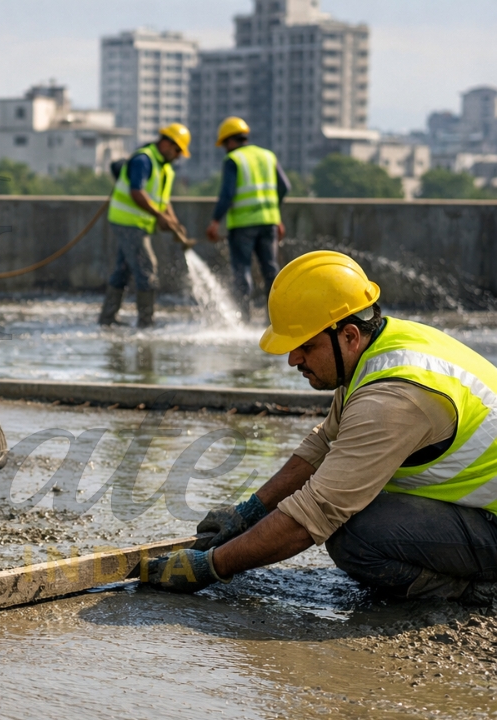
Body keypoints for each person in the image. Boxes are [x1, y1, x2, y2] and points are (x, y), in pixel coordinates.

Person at [145, 251, 497, 605]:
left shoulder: (392, 400)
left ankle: (471, 590)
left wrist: (210, 567)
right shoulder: (380, 350)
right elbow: (324, 445)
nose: (293, 359)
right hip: (480, 511)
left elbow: (314, 514)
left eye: (306, 346)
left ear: (348, 335)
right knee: (357, 498)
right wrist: (250, 511)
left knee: (354, 535)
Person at [99, 124, 192, 329]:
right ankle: (146, 322)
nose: (178, 156)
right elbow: (136, 193)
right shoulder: (144, 159)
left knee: (123, 270)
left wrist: (174, 222)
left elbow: (163, 199)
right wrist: (159, 217)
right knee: (146, 268)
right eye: (177, 150)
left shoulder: (165, 167)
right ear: (166, 143)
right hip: (127, 222)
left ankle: (107, 318)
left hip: (139, 223)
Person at [203, 117, 292, 322]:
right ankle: (275, 319)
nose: (225, 149)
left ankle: (243, 318)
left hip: (243, 225)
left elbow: (227, 194)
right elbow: (285, 186)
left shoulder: (233, 159)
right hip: (269, 222)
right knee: (271, 270)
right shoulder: (267, 156)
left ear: (230, 141)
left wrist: (215, 221)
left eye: (225, 144)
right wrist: (275, 216)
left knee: (242, 271)